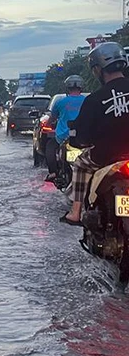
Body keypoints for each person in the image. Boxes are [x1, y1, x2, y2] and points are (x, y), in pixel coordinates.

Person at [60, 42, 129, 226]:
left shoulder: (95, 99)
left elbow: (81, 137)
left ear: (98, 69)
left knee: (80, 165)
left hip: (106, 155)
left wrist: (79, 141)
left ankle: (75, 212)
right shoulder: (88, 98)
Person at [44, 75, 86, 183]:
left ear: (67, 88)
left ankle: (53, 172)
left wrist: (51, 123)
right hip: (84, 136)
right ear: (81, 87)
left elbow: (52, 118)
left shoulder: (60, 102)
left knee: (50, 147)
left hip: (63, 137)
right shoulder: (87, 101)